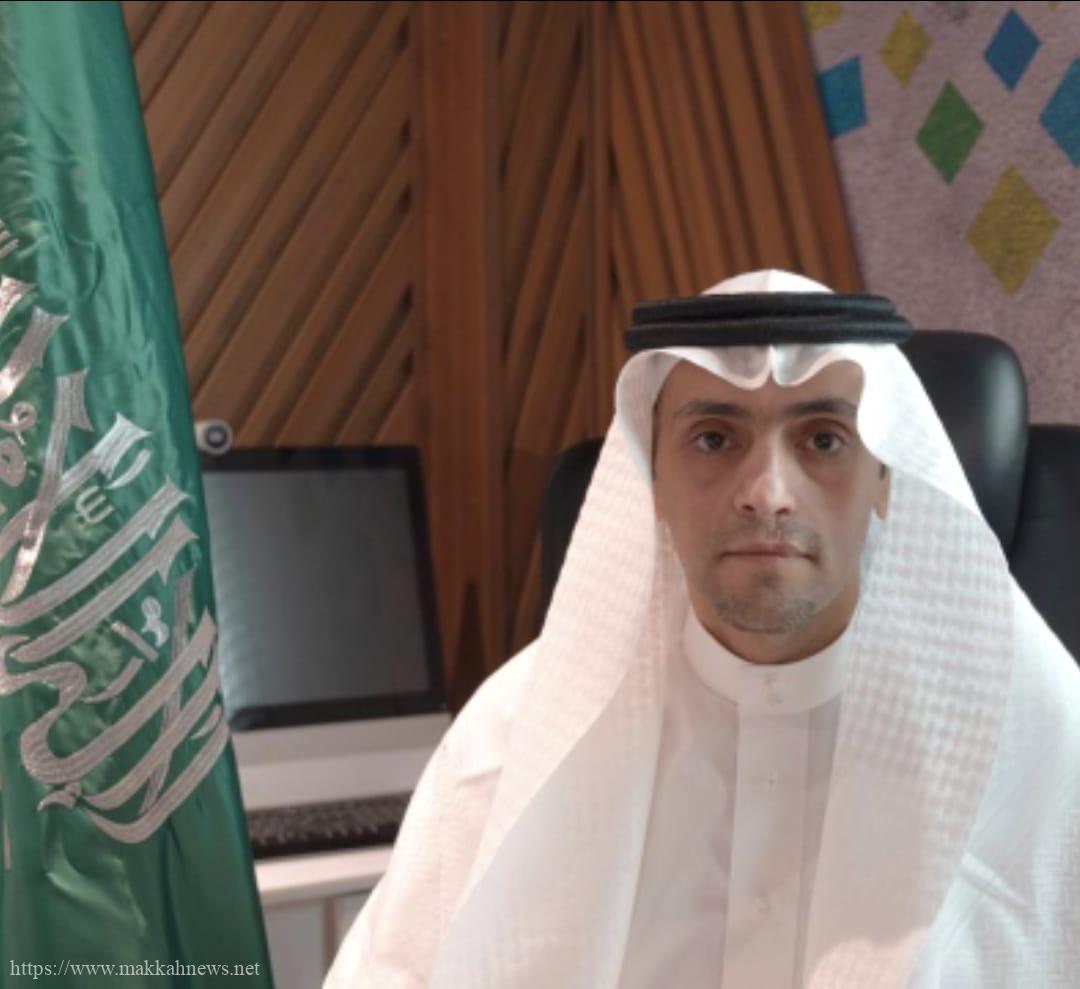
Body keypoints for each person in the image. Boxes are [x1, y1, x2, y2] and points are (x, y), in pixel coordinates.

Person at [325, 269, 1080, 988]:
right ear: (651, 478)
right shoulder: (512, 735)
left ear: (884, 479)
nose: (768, 493)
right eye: (715, 439)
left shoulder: (1035, 747)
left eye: (823, 440)